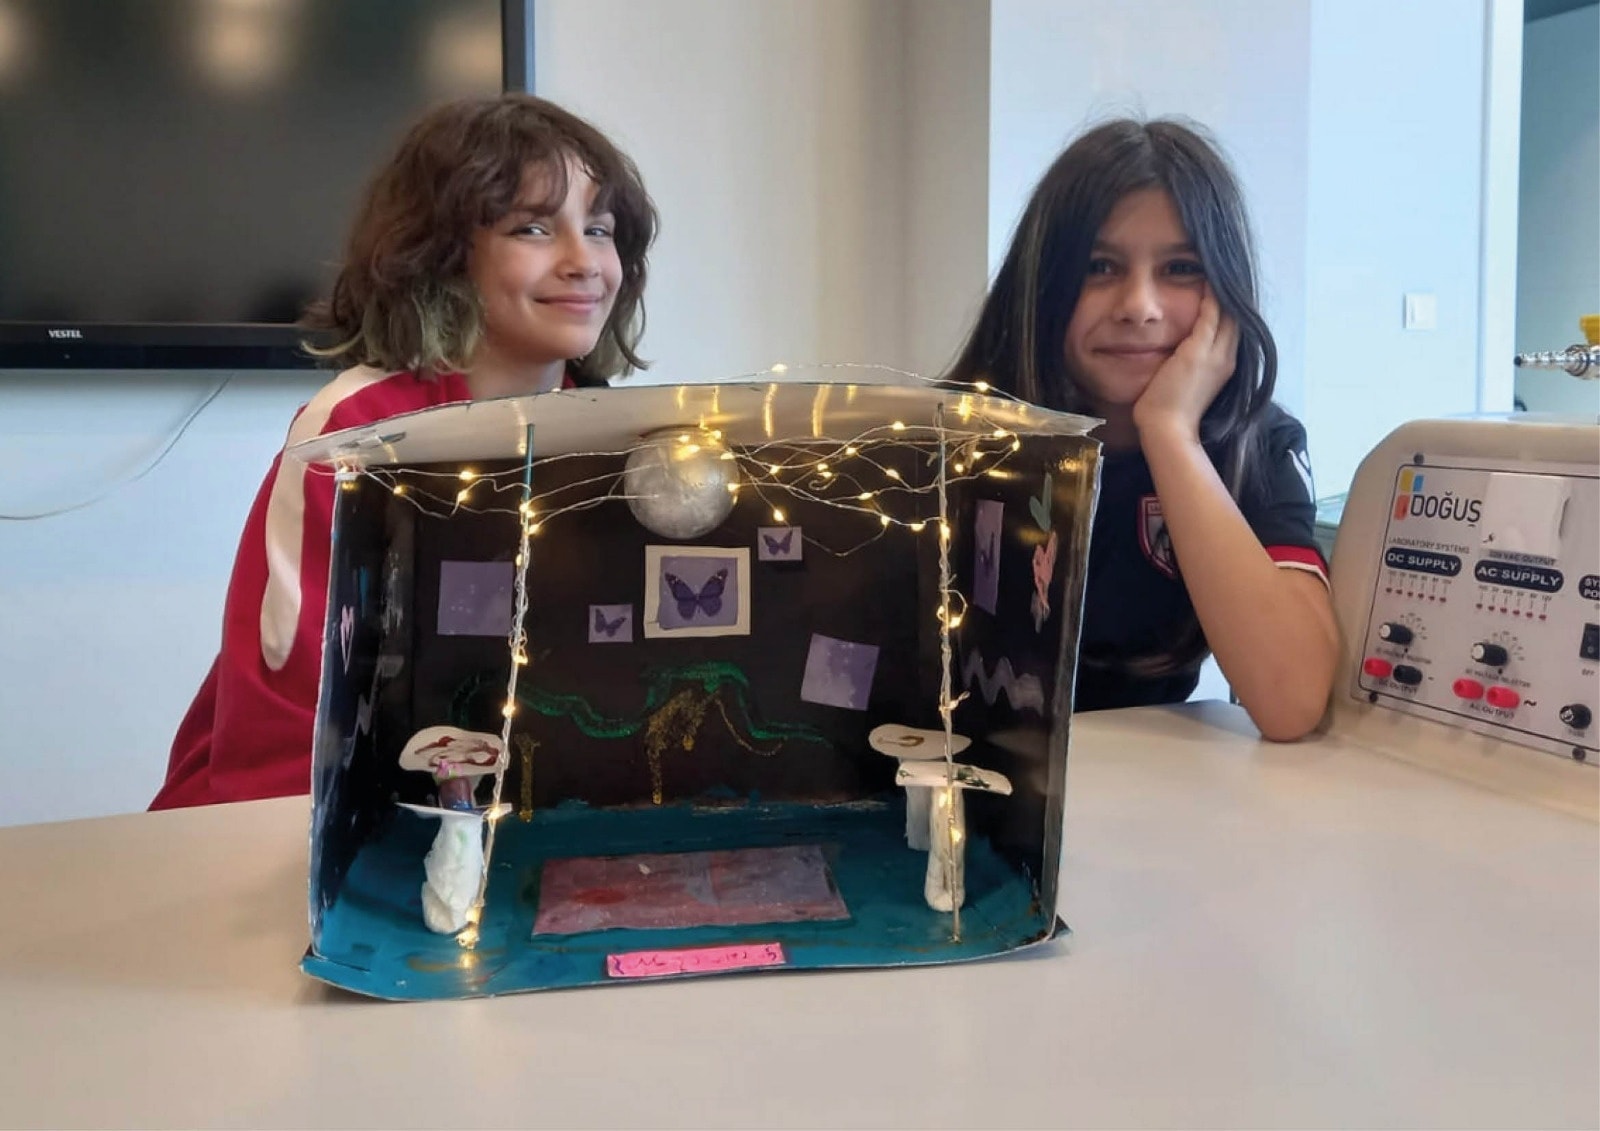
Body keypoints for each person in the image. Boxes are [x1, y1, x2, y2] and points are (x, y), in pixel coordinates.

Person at [152, 94, 658, 808]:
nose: (584, 262)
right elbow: (288, 714)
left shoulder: (625, 441)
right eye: (534, 228)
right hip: (288, 826)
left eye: (599, 230)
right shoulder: (353, 431)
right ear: (444, 257)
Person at [945, 117, 1337, 741]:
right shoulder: (950, 436)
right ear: (1043, 285)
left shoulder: (1258, 443)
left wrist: (1172, 432)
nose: (1139, 306)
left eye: (1180, 268)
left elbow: (1290, 702)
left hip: (1152, 781)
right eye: (1100, 266)